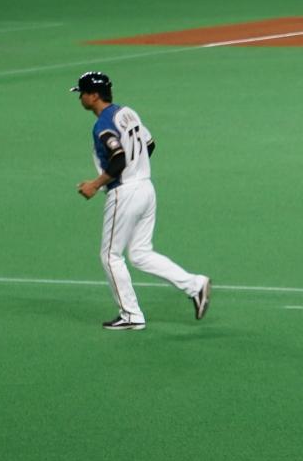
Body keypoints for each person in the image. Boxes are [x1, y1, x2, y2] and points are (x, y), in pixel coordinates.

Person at [71, 72, 211, 331]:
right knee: (139, 253)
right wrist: (137, 169)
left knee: (110, 256)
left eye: (82, 93)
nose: (80, 98)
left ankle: (131, 315)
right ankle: (195, 285)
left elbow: (118, 158)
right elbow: (150, 143)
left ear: (94, 95)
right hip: (146, 188)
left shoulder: (103, 124)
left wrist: (95, 184)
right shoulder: (127, 113)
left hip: (125, 193)